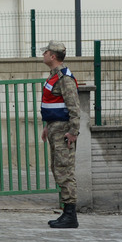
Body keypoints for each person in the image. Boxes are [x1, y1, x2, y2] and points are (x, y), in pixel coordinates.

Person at [40, 40, 81, 229]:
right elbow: (53, 105)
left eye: (46, 52)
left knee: (65, 170)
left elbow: (74, 107)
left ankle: (71, 215)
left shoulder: (64, 78)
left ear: (53, 56)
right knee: (57, 168)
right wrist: (47, 126)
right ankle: (66, 212)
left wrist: (73, 132)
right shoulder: (54, 76)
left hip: (64, 131)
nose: (43, 55)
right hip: (55, 129)